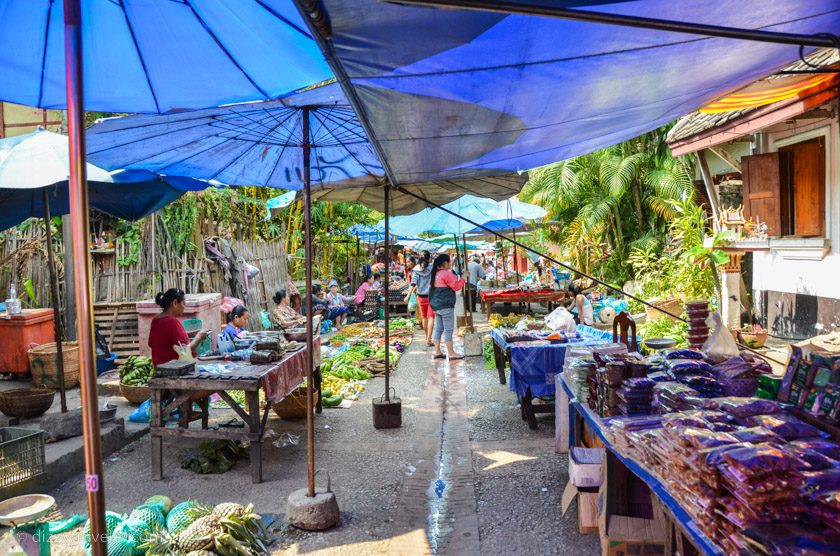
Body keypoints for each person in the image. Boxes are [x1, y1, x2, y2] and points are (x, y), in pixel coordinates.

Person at [148, 289, 209, 366]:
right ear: (175, 303)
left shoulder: (156, 319)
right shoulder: (171, 322)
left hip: (159, 366)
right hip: (174, 368)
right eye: (183, 303)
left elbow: (162, 340)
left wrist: (189, 334)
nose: (184, 307)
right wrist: (199, 337)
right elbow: (186, 350)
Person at [429, 253, 466, 360]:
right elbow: (456, 287)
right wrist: (463, 278)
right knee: (449, 329)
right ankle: (451, 353)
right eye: (449, 261)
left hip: (436, 306)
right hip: (446, 306)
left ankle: (437, 351)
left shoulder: (435, 273)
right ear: (445, 263)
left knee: (438, 329)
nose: (450, 263)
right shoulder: (446, 273)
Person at [406, 250, 434, 346]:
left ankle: (427, 337)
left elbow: (413, 284)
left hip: (420, 297)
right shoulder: (432, 267)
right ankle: (429, 340)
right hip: (431, 295)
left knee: (424, 317)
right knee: (431, 317)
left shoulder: (416, 269)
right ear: (429, 258)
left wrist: (408, 295)